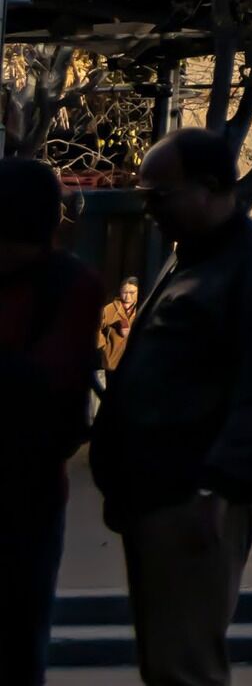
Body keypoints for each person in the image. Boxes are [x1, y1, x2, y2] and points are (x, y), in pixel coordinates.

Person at [90, 129, 252, 686]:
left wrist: (217, 490)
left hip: (195, 496)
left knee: (185, 664)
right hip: (155, 494)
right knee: (166, 662)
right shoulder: (188, 259)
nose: (149, 209)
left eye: (159, 196)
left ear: (210, 189)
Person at [0, 157, 103, 686]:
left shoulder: (69, 285)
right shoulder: (72, 283)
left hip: (28, 494)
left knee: (19, 639)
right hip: (36, 490)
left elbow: (48, 385)